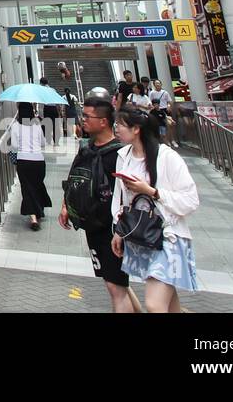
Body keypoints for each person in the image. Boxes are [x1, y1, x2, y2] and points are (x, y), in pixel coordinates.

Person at [111, 105, 201, 312]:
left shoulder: (166, 157)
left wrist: (152, 192)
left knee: (154, 304)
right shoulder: (123, 156)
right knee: (169, 305)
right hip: (141, 236)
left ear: (136, 129)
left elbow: (191, 200)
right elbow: (120, 199)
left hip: (167, 237)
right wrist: (119, 229)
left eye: (120, 124)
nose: (116, 128)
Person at [58, 97, 138, 313]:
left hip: (113, 231)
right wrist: (66, 205)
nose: (83, 120)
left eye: (87, 116)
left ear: (103, 121)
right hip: (92, 226)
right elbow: (74, 178)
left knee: (115, 288)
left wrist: (121, 230)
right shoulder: (86, 148)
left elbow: (129, 196)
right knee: (114, 281)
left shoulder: (120, 155)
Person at [10, 102, 52, 230]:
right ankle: (38, 211)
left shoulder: (16, 126)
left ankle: (33, 218)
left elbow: (15, 146)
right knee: (37, 186)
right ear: (31, 111)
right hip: (39, 162)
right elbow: (44, 143)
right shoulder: (37, 124)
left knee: (27, 189)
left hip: (24, 161)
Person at [40, 77, 61, 146]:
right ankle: (56, 142)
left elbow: (41, 101)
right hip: (54, 108)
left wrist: (40, 112)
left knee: (45, 124)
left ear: (41, 83)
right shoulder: (53, 90)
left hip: (47, 108)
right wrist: (59, 110)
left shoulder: (41, 90)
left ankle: (43, 140)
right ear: (47, 82)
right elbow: (57, 100)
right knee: (55, 125)